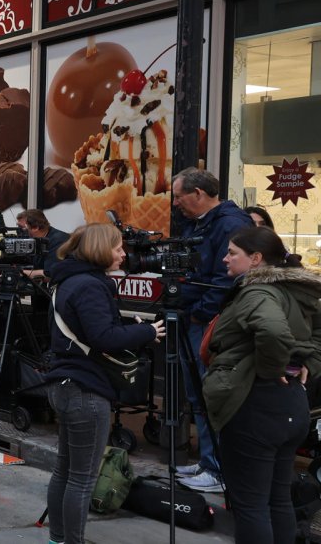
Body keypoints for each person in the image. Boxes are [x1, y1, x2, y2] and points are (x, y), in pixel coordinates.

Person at [43, 223, 165, 544]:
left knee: (64, 471)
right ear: (99, 249)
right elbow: (103, 337)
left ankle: (57, 539)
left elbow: (89, 329)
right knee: (82, 479)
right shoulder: (89, 285)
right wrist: (148, 332)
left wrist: (126, 325)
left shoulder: (69, 280)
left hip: (65, 383)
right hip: (85, 389)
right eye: (117, 247)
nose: (124, 254)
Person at [203, 226, 321, 544]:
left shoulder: (258, 292)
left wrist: (274, 368)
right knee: (277, 499)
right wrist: (308, 362)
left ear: (255, 259)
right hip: (290, 406)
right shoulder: (295, 289)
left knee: (251, 506)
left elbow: (272, 331)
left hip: (257, 404)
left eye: (232, 253)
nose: (225, 258)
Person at [172, 167, 254, 493]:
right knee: (199, 395)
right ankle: (209, 461)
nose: (176, 203)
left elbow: (227, 279)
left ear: (198, 194)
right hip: (197, 319)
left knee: (211, 396)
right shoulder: (202, 223)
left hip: (209, 325)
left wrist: (199, 314)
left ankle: (218, 468)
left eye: (179, 196)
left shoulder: (230, 225)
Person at [16, 208, 70, 278]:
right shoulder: (34, 240)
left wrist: (18, 272)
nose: (18, 231)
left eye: (21, 227)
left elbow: (48, 274)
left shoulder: (58, 240)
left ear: (35, 227)